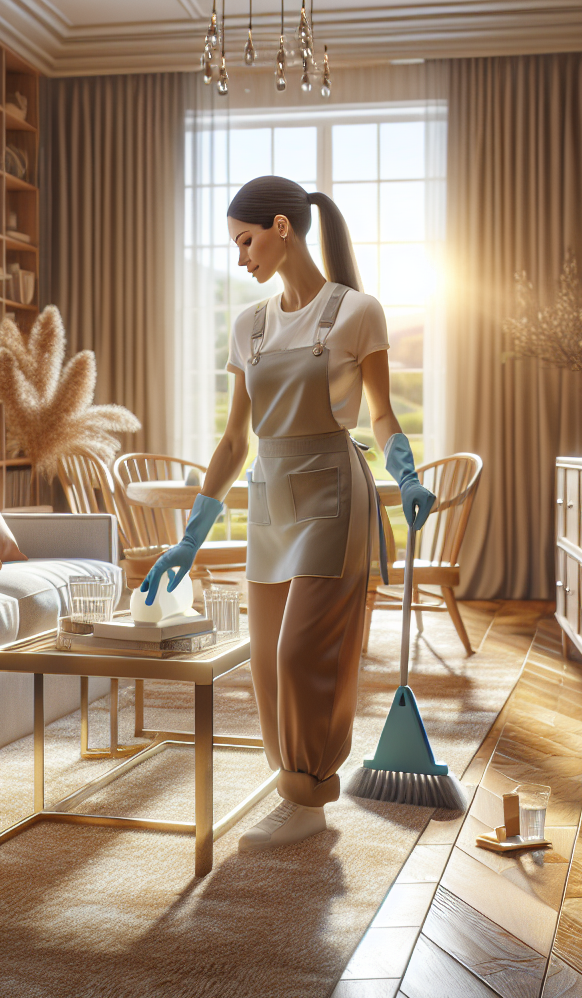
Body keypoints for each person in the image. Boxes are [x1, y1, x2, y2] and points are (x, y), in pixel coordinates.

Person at [142, 175, 435, 851]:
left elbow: (382, 413)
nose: (241, 256)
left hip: (334, 494)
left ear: (281, 227)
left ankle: (310, 798)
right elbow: (233, 441)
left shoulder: (357, 312)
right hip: (271, 500)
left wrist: (408, 474)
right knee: (269, 661)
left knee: (303, 653)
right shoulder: (248, 325)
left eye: (246, 241)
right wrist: (190, 538)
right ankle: (293, 792)